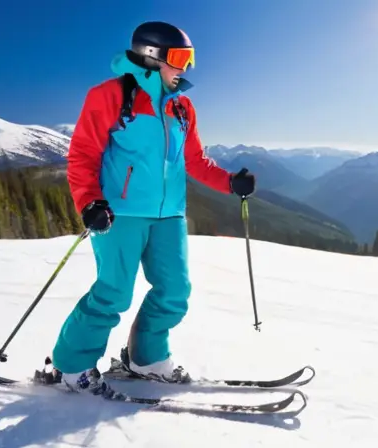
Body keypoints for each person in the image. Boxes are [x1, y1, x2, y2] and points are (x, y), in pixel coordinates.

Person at [52, 20, 256, 396]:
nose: (186, 67)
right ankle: (72, 366)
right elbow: (82, 154)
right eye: (179, 58)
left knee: (175, 290)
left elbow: (195, 161)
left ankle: (145, 358)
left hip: (170, 216)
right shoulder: (110, 96)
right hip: (120, 213)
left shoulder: (183, 107)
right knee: (113, 292)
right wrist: (89, 201)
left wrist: (230, 182)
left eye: (189, 58)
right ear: (151, 56)